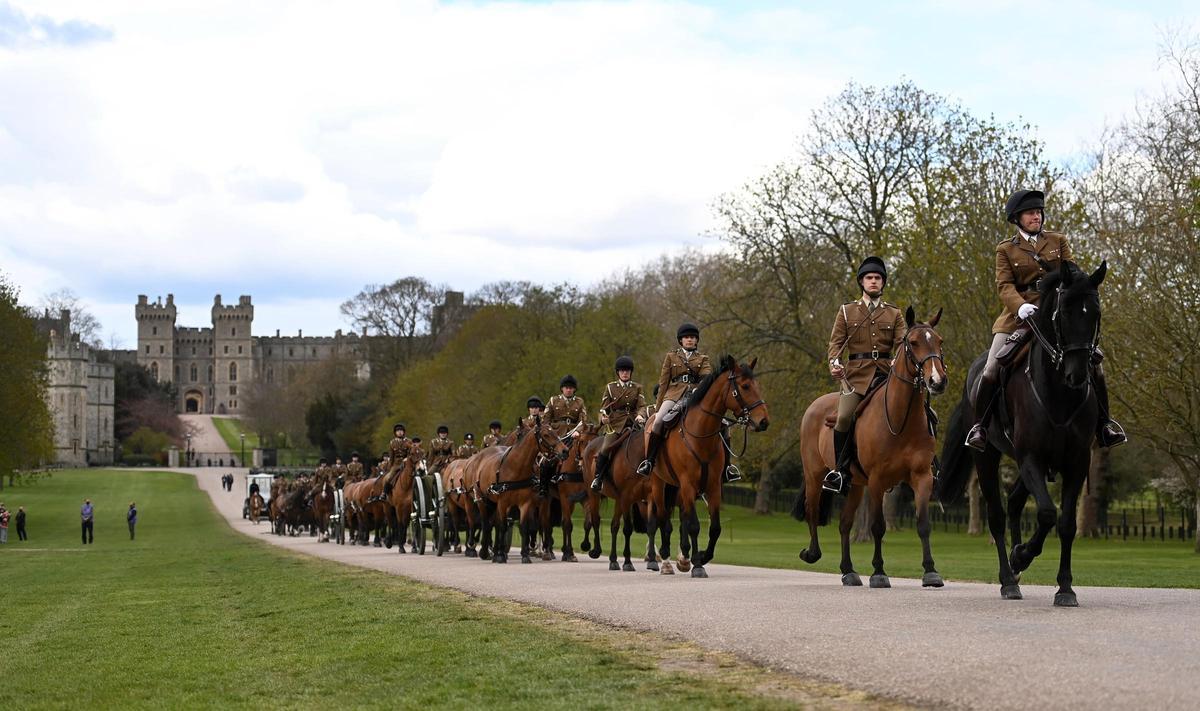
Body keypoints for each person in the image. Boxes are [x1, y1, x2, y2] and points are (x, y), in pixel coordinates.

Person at [965, 189, 1126, 451]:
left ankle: (1105, 425)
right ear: (1017, 219)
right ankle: (980, 427)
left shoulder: (1057, 240)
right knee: (991, 367)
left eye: (1039, 212)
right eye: (1030, 213)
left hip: (1057, 312)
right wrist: (1020, 306)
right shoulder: (1005, 249)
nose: (1036, 217)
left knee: (1096, 364)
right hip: (1019, 316)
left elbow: (1073, 273)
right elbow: (1004, 286)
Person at [822, 256, 906, 494]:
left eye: (878, 278)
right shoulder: (847, 311)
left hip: (887, 376)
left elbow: (903, 343)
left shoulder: (894, 313)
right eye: (869, 278)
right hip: (856, 378)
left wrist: (897, 359)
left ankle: (930, 465)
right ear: (862, 282)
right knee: (844, 417)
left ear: (883, 282)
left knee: (920, 410)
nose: (873, 281)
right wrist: (834, 363)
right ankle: (840, 471)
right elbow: (835, 344)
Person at [638, 322, 713, 477]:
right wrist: (658, 406)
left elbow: (707, 378)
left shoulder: (703, 358)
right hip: (674, 395)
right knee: (658, 421)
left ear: (697, 340)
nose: (690, 340)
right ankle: (649, 461)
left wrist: (699, 389)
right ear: (681, 340)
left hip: (695, 395)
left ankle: (727, 467)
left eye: (692, 337)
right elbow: (663, 382)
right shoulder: (671, 357)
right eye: (686, 337)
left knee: (723, 423)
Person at [591, 356, 647, 491]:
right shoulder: (610, 387)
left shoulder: (637, 387)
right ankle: (598, 478)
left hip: (633, 423)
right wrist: (603, 418)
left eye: (627, 370)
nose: (625, 373)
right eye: (622, 371)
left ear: (631, 372)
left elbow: (642, 406)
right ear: (618, 372)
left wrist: (640, 415)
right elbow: (604, 408)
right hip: (615, 425)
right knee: (606, 448)